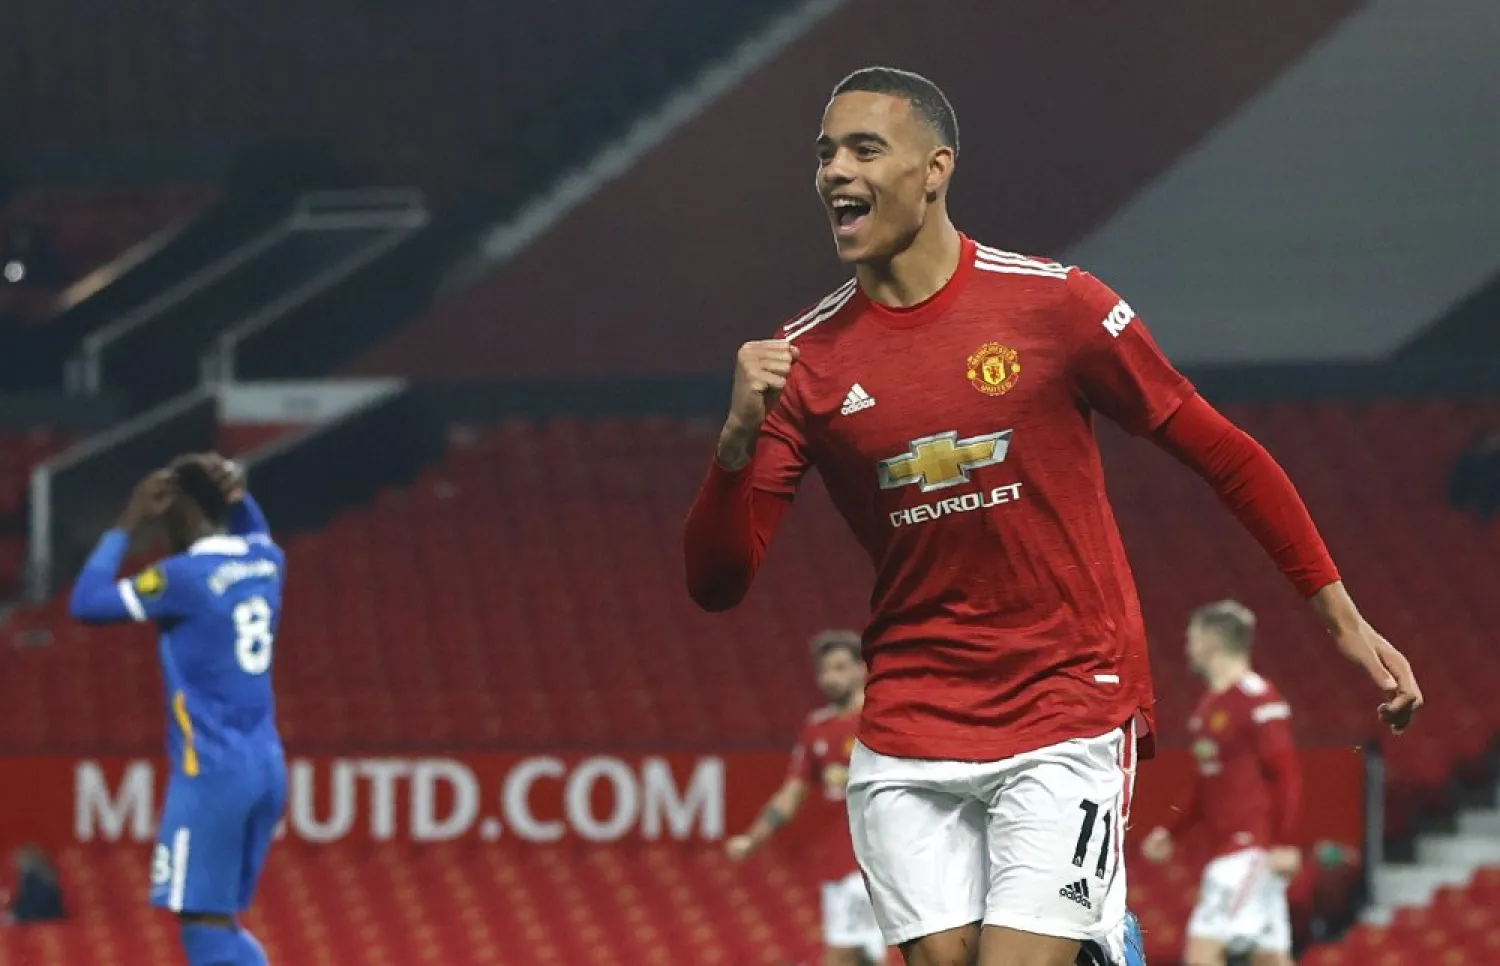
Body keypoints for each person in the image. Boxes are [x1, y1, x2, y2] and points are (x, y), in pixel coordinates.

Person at [681, 65, 1421, 966]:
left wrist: (1340, 619)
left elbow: (1225, 454)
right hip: (909, 721)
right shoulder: (803, 362)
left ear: (934, 168)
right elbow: (718, 585)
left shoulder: (1056, 305)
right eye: (826, 152)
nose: (834, 170)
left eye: (864, 148)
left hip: (1067, 702)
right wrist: (733, 445)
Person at [69, 454, 285, 966]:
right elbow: (255, 529)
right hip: (266, 766)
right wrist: (240, 497)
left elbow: (86, 603)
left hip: (210, 773)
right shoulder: (267, 561)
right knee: (220, 923)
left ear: (181, 513)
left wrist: (129, 519)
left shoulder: (182, 578)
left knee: (205, 932)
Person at [1141, 602, 1300, 966]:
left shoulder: (1256, 697)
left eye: (1193, 638)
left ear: (1212, 641)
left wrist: (1282, 842)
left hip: (1248, 853)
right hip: (1238, 853)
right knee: (1270, 957)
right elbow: (1205, 785)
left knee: (1201, 953)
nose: (1188, 647)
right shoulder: (1208, 708)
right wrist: (1170, 831)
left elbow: (1285, 775)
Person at [727, 630, 887, 966]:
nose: (831, 677)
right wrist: (753, 839)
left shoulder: (882, 719)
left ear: (862, 669)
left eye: (841, 667)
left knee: (844, 955)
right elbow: (793, 791)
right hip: (837, 862)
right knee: (859, 957)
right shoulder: (818, 727)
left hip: (877, 858)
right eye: (825, 670)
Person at [4, 845, 68, 924]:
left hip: (44, 922)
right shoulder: (46, 876)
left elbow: (35, 905)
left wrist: (17, 915)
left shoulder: (33, 879)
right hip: (53, 921)